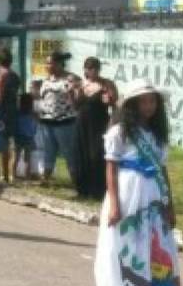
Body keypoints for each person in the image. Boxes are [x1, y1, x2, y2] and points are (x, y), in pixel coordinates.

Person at [83, 79, 180, 286]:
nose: (148, 106)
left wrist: (170, 204)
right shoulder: (119, 132)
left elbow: (163, 169)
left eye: (152, 101)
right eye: (143, 101)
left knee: (152, 248)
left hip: (153, 195)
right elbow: (111, 168)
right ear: (132, 105)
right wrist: (115, 203)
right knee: (125, 246)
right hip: (127, 192)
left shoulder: (157, 136)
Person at [74, 57, 118, 199]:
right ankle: (83, 189)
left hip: (98, 124)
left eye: (95, 68)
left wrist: (108, 97)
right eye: (89, 68)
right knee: (82, 155)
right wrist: (74, 92)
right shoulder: (81, 84)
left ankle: (98, 190)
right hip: (82, 123)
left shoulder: (106, 83)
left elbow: (113, 102)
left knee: (96, 155)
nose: (92, 71)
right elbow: (75, 105)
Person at [37, 51, 80, 185]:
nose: (48, 66)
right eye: (47, 63)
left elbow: (77, 99)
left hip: (64, 123)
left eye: (50, 63)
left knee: (69, 153)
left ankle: (76, 182)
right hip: (47, 122)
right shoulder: (46, 80)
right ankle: (45, 179)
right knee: (48, 152)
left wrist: (73, 92)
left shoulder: (70, 78)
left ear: (59, 64)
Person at [0, 50, 22, 184]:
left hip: (2, 111)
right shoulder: (15, 76)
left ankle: (4, 174)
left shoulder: (1, 76)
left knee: (3, 143)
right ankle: (12, 174)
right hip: (13, 110)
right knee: (13, 143)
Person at [14, 93, 39, 181]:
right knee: (28, 158)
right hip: (29, 137)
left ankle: (13, 175)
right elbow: (36, 124)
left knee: (16, 156)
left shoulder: (17, 113)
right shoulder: (33, 114)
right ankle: (27, 176)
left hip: (18, 136)